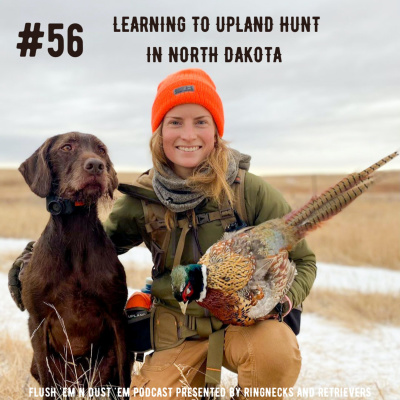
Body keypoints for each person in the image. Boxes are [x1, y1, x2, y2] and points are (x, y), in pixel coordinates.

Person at [9, 69, 316, 400]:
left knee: (275, 349)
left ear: (216, 131)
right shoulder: (143, 197)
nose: (188, 134)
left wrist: (282, 301)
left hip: (245, 328)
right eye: (175, 122)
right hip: (178, 335)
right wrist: (34, 259)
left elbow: (304, 260)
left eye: (201, 121)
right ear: (160, 132)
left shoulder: (249, 191)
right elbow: (96, 243)